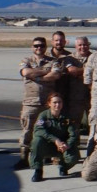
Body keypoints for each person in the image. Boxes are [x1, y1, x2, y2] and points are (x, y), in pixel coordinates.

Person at [16, 37, 62, 170]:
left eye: (41, 46)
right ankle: (24, 157)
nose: (39, 48)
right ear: (32, 47)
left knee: (50, 129)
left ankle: (48, 155)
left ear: (45, 47)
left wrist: (34, 76)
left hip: (47, 104)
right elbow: (25, 72)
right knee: (27, 130)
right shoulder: (26, 61)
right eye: (36, 46)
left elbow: (56, 75)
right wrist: (45, 73)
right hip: (30, 102)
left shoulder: (53, 61)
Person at [29, 93, 80, 182]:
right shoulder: (43, 116)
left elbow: (74, 134)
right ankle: (38, 170)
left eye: (59, 102)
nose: (57, 105)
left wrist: (67, 144)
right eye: (54, 102)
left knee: (73, 157)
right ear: (49, 103)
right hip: (47, 145)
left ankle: (63, 166)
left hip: (62, 146)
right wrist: (55, 140)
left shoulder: (67, 117)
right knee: (36, 141)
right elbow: (39, 130)